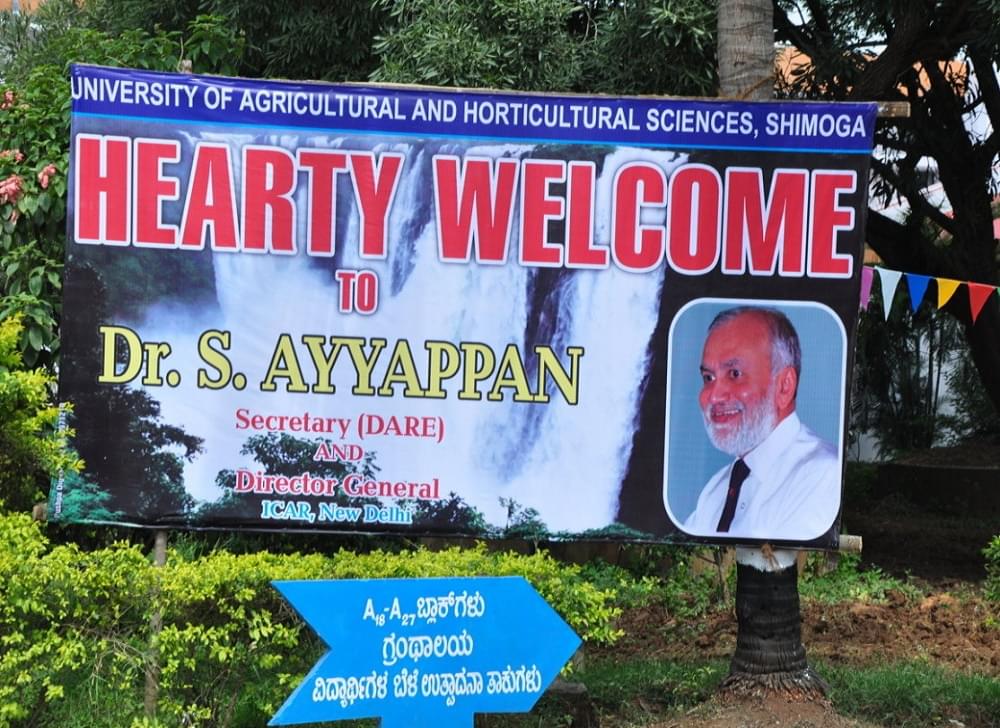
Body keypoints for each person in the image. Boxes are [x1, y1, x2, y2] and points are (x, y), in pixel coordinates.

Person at [681, 306, 840, 541]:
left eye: (734, 374)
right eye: (708, 378)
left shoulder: (824, 475)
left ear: (784, 386)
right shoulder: (715, 491)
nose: (714, 396)